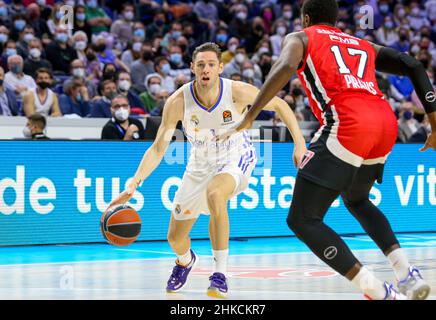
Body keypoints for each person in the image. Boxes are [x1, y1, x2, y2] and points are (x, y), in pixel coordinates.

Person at [233, 0, 436, 300]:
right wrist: (434, 121)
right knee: (357, 199)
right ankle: (406, 273)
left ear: (305, 18)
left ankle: (379, 292)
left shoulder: (300, 37)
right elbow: (414, 65)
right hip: (385, 121)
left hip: (349, 121)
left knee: (302, 219)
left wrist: (251, 114)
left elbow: (286, 65)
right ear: (335, 18)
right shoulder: (360, 43)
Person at [108, 42, 306, 298]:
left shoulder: (236, 92)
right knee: (175, 238)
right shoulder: (178, 101)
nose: (206, 69)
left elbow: (280, 105)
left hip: (237, 156)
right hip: (199, 165)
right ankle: (185, 261)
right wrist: (134, 183)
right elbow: (158, 148)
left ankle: (220, 274)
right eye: (200, 64)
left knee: (216, 194)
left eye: (211, 64)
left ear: (220, 68)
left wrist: (299, 143)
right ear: (192, 68)